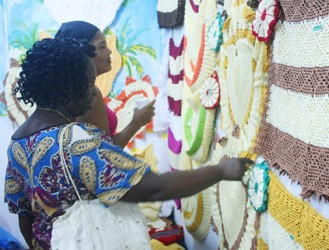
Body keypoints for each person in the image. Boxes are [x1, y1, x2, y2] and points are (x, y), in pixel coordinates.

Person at [4, 38, 253, 249]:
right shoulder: (73, 140)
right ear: (67, 88)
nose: (94, 92)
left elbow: (25, 217)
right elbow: (155, 188)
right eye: (89, 83)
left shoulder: (17, 143)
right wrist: (221, 170)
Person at [55, 20, 155, 148]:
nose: (110, 51)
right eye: (102, 47)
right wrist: (136, 123)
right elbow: (104, 152)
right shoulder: (88, 95)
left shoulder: (69, 91)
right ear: (81, 51)